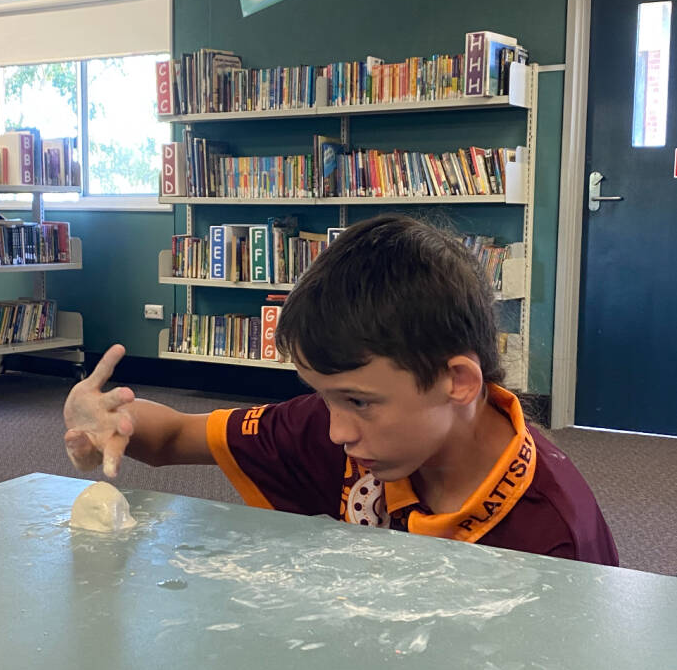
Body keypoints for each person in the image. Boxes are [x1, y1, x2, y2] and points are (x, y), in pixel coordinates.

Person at [64, 214, 618, 565]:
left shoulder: (554, 538)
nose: (335, 431)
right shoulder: (338, 428)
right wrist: (102, 417)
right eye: (323, 395)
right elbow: (172, 436)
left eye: (357, 401)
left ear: (458, 382)